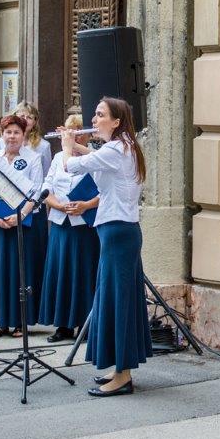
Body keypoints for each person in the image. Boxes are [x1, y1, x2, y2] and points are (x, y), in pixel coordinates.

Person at [60, 97, 153, 397]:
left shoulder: (115, 149)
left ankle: (123, 375)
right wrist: (78, 144)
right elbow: (97, 164)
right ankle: (119, 369)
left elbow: (71, 167)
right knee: (115, 299)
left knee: (118, 302)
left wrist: (66, 146)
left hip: (118, 233)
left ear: (116, 121)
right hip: (120, 231)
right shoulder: (124, 146)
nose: (95, 119)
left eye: (100, 115)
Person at [0, 114, 44, 338]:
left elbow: (35, 192)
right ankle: (0, 322)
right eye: (8, 132)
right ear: (2, 134)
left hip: (22, 222)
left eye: (17, 132)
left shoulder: (33, 159)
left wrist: (20, 215)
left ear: (24, 134)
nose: (12, 136)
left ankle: (19, 322)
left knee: (19, 271)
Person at [39, 114, 101, 343]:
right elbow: (47, 188)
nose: (73, 135)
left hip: (84, 225)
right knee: (61, 273)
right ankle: (63, 326)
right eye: (69, 131)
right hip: (60, 223)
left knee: (83, 273)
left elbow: (104, 191)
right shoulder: (57, 158)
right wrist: (58, 205)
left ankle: (85, 325)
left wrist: (85, 205)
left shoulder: (95, 158)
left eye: (77, 131)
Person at [0, 102, 52, 167]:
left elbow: (46, 173)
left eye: (29, 117)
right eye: (22, 116)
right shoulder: (1, 142)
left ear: (35, 122)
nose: (25, 120)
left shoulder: (43, 146)